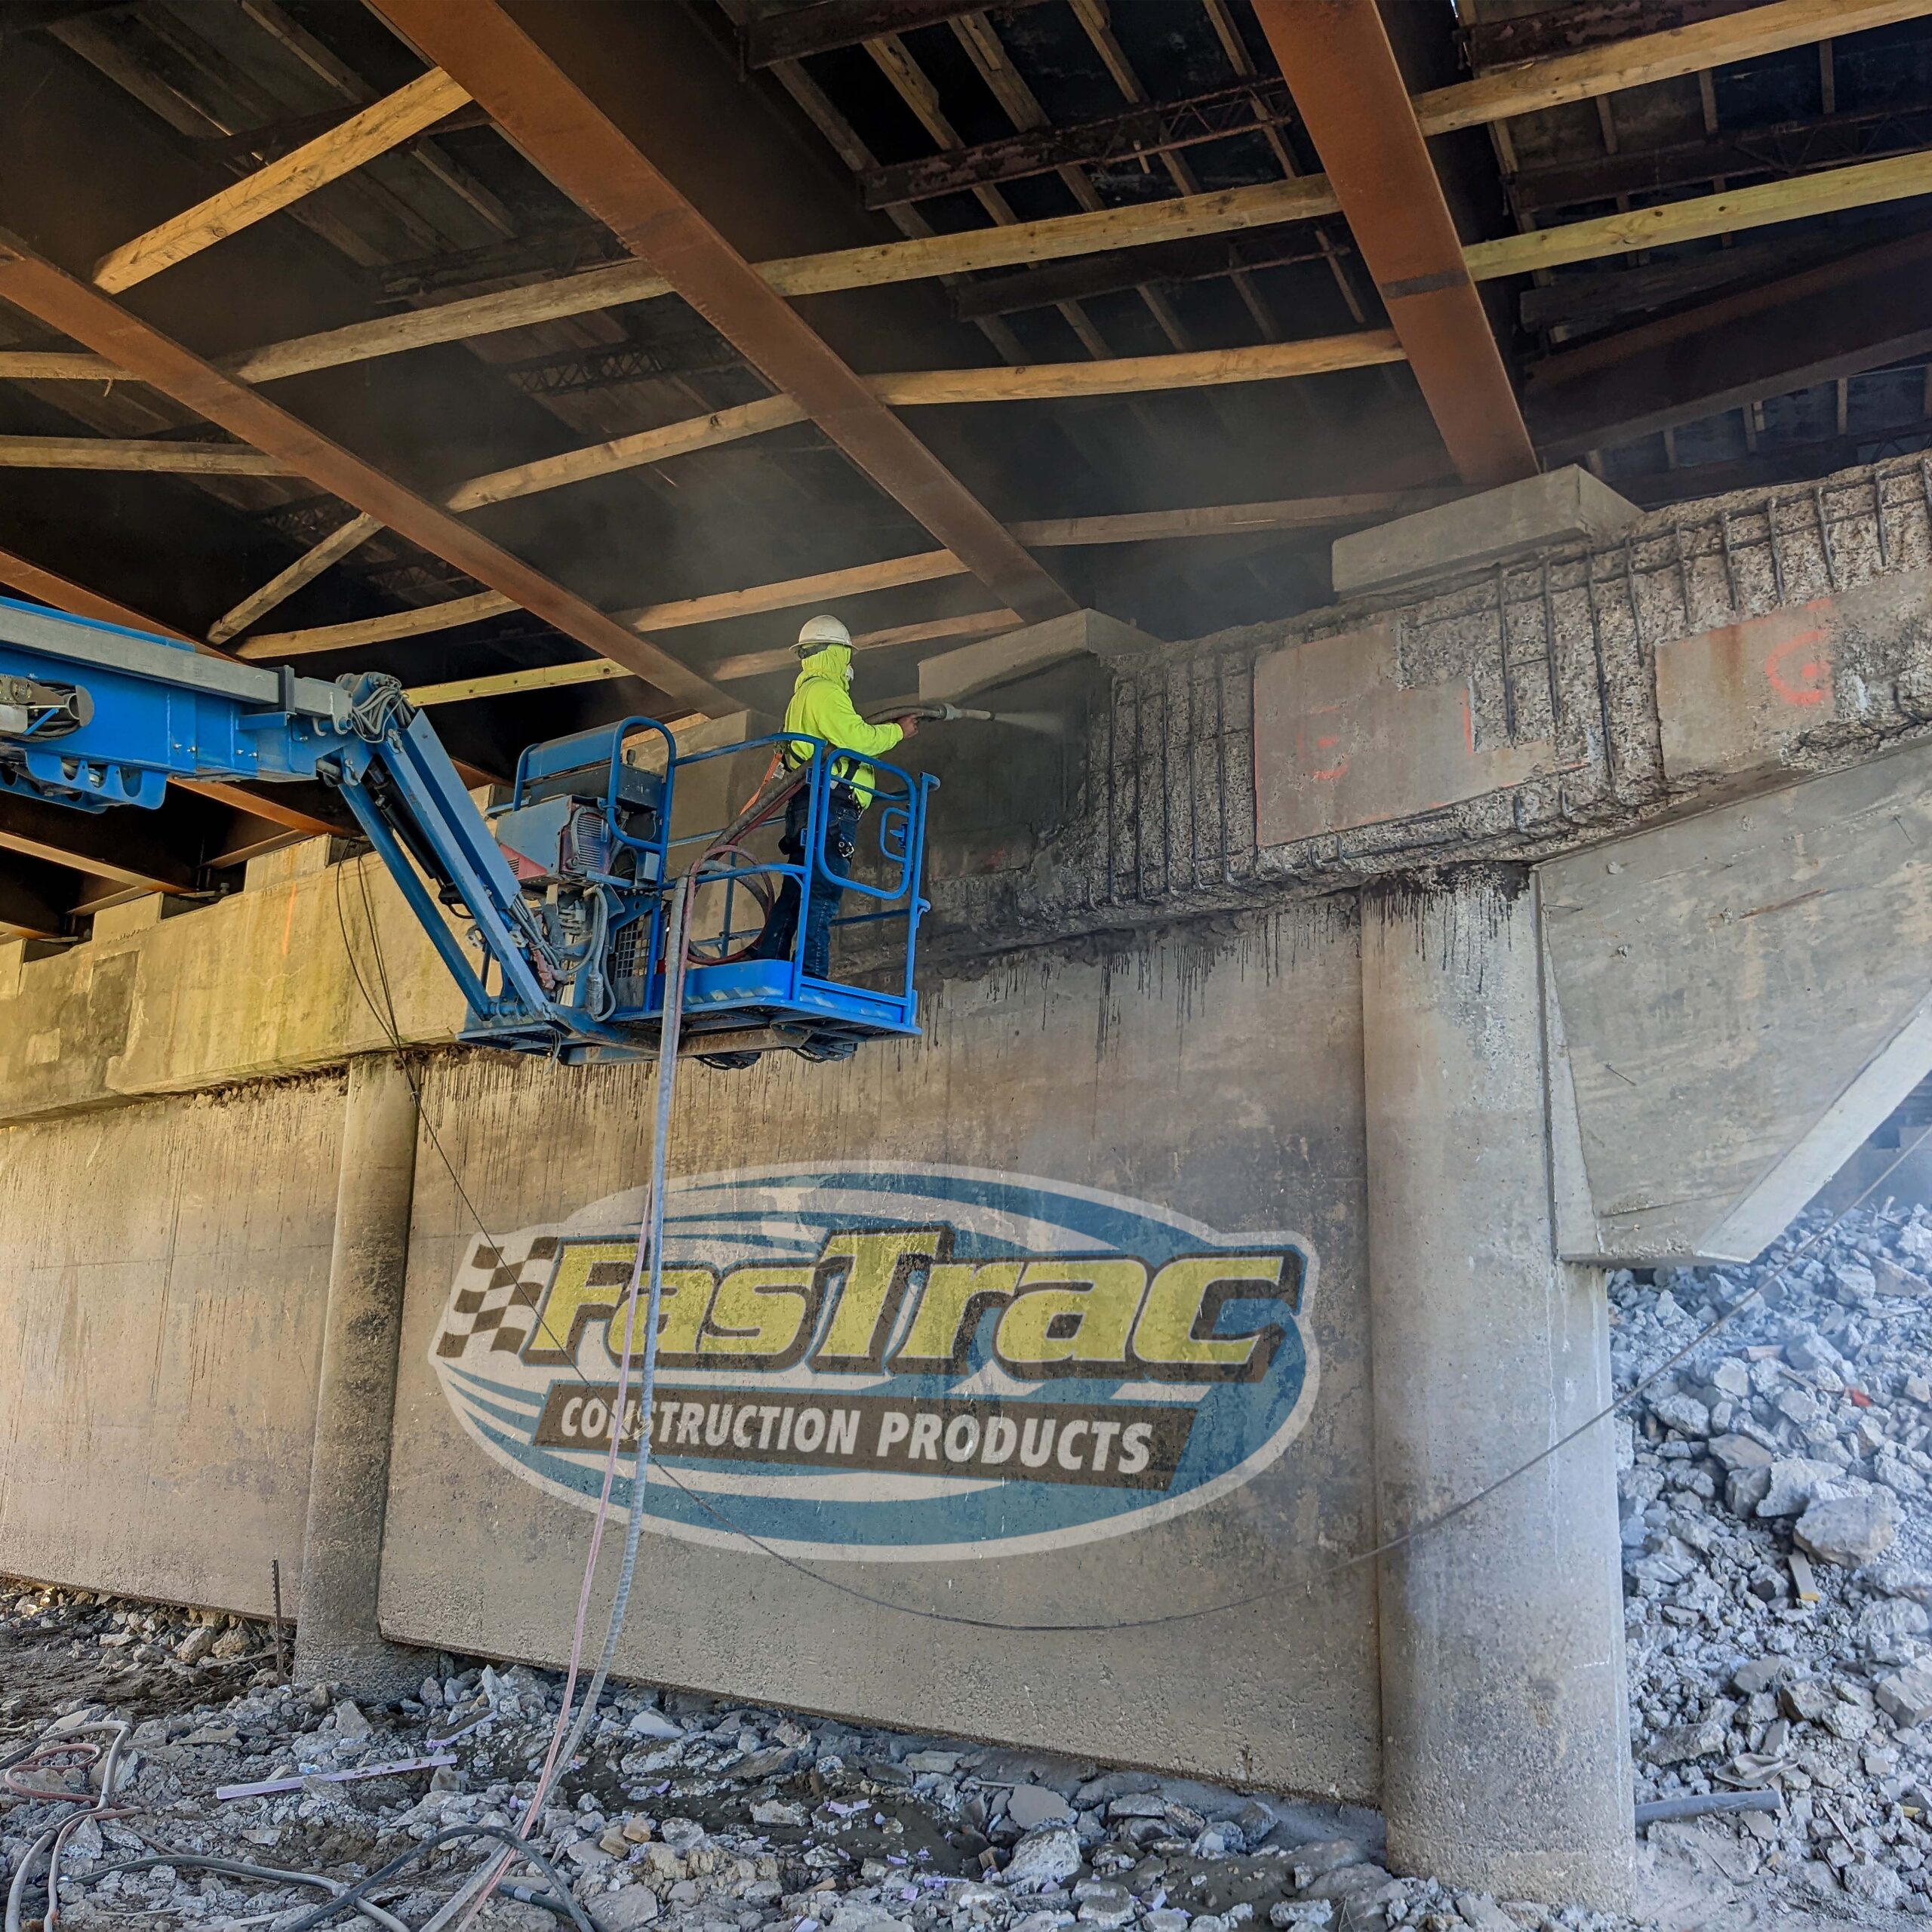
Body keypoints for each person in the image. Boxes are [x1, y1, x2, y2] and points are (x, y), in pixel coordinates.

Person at [749, 614, 918, 1023]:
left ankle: (766, 963)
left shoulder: (804, 695)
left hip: (812, 804)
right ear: (836, 654)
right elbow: (858, 738)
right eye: (845, 654)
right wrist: (899, 732)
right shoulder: (825, 692)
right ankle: (811, 980)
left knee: (798, 890)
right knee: (821, 893)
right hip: (831, 807)